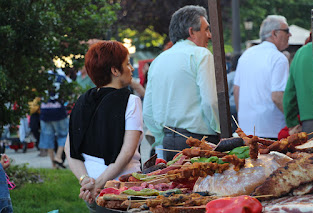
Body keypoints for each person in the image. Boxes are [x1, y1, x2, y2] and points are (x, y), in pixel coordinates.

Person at [65, 40, 143, 212]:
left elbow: (69, 149)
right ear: (115, 70)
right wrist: (98, 184)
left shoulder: (81, 101)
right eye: (127, 63)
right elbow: (127, 152)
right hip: (123, 189)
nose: (131, 68)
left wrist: (85, 181)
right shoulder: (131, 101)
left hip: (91, 192)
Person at [143, 5, 220, 161]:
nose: (210, 35)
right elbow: (210, 101)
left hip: (168, 140)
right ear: (192, 32)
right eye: (206, 30)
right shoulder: (201, 54)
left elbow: (148, 112)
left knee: (177, 185)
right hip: (200, 141)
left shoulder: (158, 60)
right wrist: (220, 132)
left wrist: (161, 138)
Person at [234, 15, 291, 139]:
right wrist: (293, 123)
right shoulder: (278, 58)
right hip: (272, 131)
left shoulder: (246, 55)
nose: (290, 35)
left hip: (246, 130)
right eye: (287, 31)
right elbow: (277, 97)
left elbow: (237, 91)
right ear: (274, 33)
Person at [283, 34, 313, 138]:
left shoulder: (301, 53)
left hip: (311, 125)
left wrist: (292, 123)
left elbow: (289, 96)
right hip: (310, 121)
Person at [39, 69, 69, 169]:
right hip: (58, 111)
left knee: (48, 137)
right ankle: (58, 156)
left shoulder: (42, 77)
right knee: (64, 135)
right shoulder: (61, 75)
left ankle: (53, 164)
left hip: (45, 111)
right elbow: (67, 92)